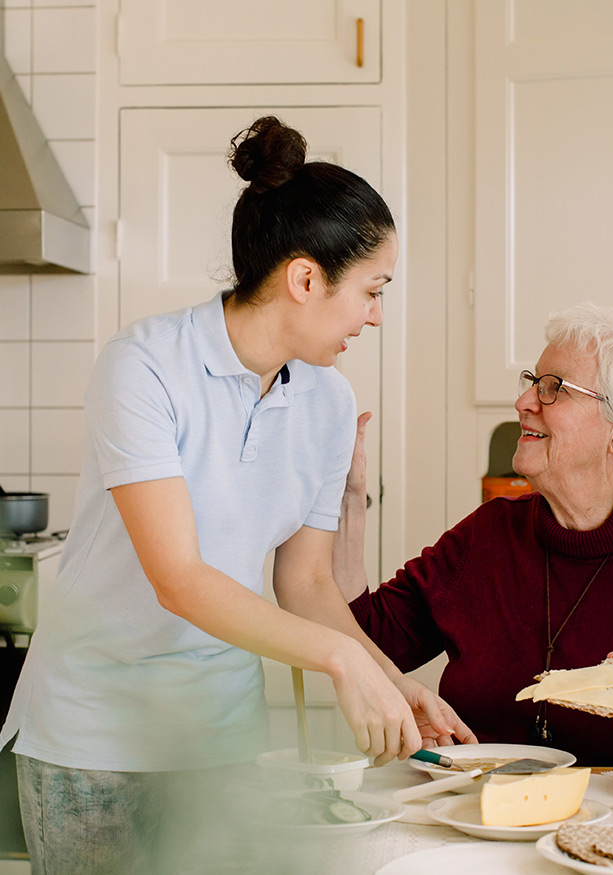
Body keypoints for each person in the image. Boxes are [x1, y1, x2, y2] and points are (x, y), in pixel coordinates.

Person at [0, 116, 473, 874]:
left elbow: (306, 581)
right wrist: (340, 663)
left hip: (220, 738)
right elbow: (179, 579)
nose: (376, 315)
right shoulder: (144, 367)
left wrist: (388, 677)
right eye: (371, 290)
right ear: (305, 278)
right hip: (95, 733)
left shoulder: (325, 400)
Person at [338, 303, 613, 766]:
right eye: (532, 382)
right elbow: (362, 639)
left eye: (553, 389)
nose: (525, 402)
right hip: (478, 818)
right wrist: (347, 498)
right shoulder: (488, 535)